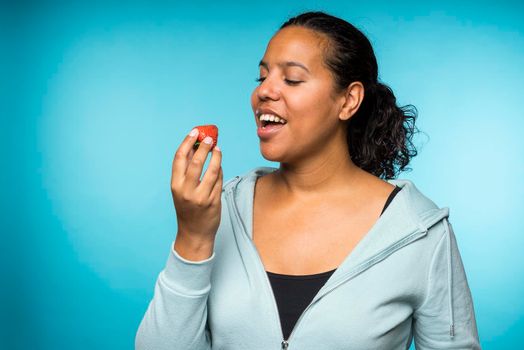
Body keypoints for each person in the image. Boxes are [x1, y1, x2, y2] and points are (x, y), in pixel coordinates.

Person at [135, 11, 480, 350]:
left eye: (292, 79)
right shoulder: (219, 209)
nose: (264, 92)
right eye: (262, 77)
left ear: (348, 100)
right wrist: (192, 238)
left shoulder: (420, 232)